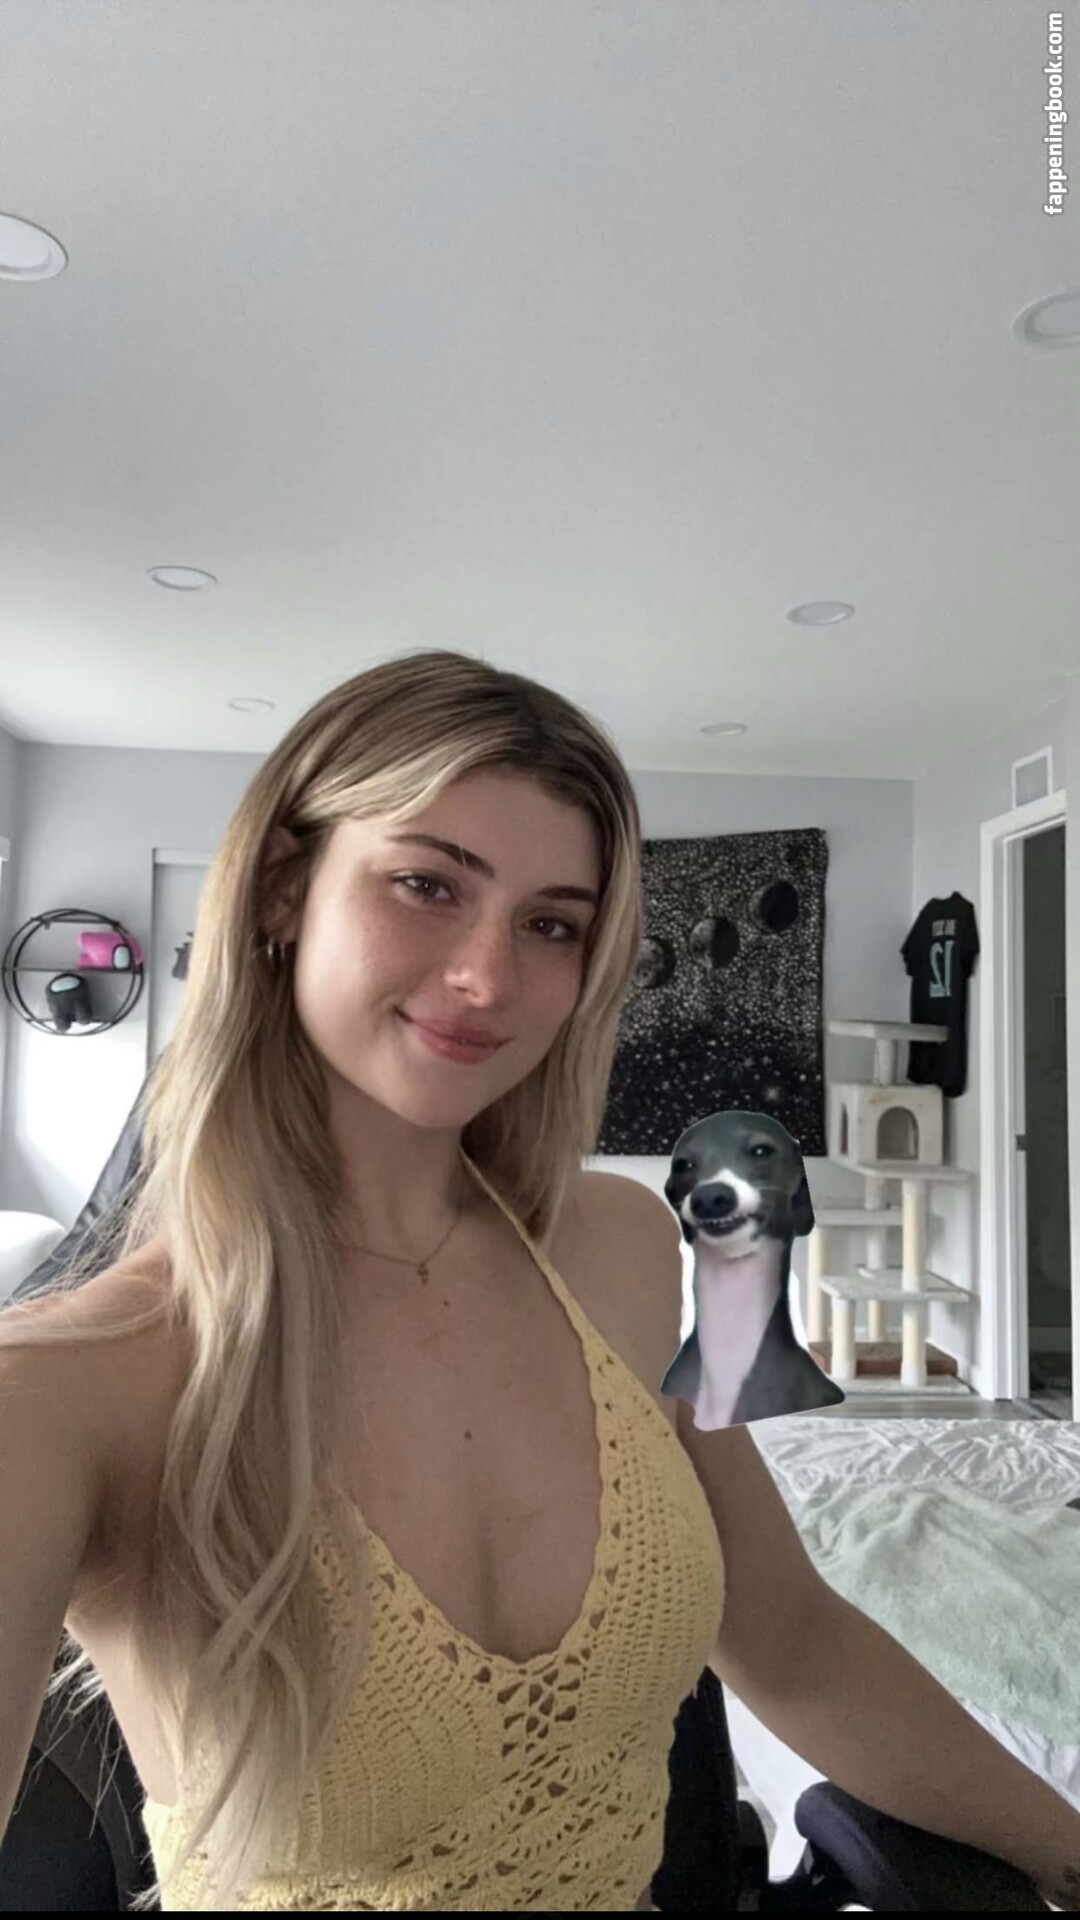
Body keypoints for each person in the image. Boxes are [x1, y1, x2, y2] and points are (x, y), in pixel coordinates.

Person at [1, 649, 1077, 1913]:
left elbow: (793, 1641)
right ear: (285, 884)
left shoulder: (619, 1249)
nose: (490, 978)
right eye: (426, 885)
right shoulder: (73, 1390)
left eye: (551, 924)